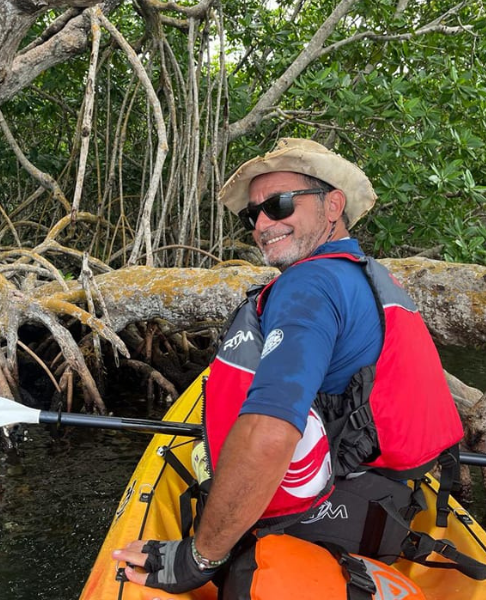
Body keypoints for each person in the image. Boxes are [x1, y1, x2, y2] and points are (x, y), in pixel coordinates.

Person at [112, 138, 463, 596]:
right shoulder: (363, 274)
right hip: (389, 507)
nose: (262, 224)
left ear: (333, 204)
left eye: (278, 205)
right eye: (251, 215)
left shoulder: (309, 286)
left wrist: (199, 557)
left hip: (325, 515)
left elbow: (271, 433)